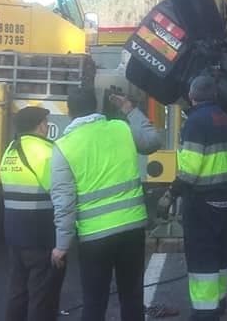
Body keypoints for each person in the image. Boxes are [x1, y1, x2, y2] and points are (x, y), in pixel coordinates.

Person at [49, 86, 161, 321]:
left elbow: (64, 201)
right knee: (131, 297)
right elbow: (152, 141)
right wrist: (129, 109)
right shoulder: (121, 128)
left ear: (69, 112)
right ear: (96, 106)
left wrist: (62, 245)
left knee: (94, 301)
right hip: (131, 228)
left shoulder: (63, 147)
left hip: (94, 237)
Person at [168, 74, 227, 320]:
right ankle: (219, 302)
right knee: (219, 254)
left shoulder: (196, 122)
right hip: (225, 199)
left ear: (192, 95)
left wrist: (172, 192)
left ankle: (204, 313)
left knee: (201, 257)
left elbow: (191, 168)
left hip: (202, 202)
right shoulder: (224, 118)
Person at [1, 106, 65, 321]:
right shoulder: (46, 152)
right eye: (46, 123)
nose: (47, 127)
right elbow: (59, 191)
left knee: (17, 290)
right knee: (42, 294)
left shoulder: (10, 150)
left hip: (14, 231)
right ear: (40, 126)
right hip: (40, 233)